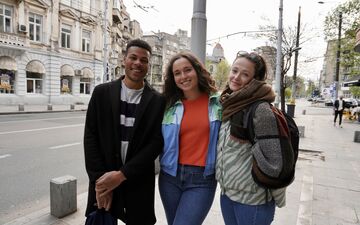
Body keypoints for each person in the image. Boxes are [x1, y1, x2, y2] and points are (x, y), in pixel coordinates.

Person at [84, 39, 166, 225]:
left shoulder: (157, 101)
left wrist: (121, 175)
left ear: (148, 65)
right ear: (124, 60)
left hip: (137, 180)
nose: (138, 63)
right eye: (133, 57)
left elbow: (155, 143)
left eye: (143, 60)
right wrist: (102, 184)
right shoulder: (101, 93)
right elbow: (91, 137)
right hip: (104, 178)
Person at [216, 51, 286, 225]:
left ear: (255, 81)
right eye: (234, 70)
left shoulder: (260, 110)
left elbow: (274, 163)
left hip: (252, 201)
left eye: (245, 74)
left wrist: (276, 196)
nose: (236, 77)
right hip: (227, 195)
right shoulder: (230, 103)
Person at [159, 52, 222, 225]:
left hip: (202, 180)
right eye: (177, 73)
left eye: (187, 70)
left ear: (197, 71)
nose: (183, 76)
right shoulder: (168, 105)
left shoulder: (217, 104)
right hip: (170, 177)